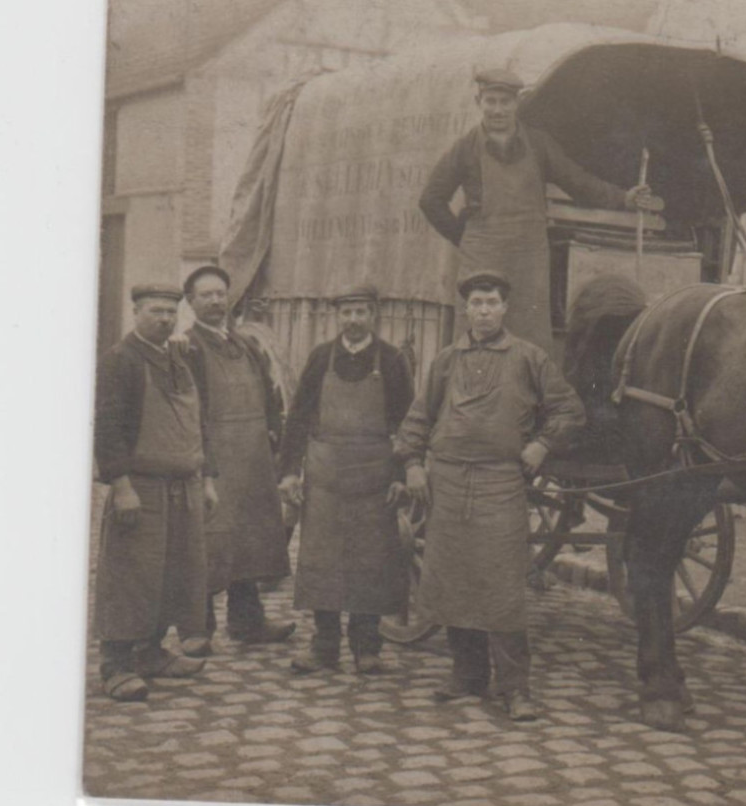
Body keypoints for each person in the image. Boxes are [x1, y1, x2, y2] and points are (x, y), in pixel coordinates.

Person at [395, 271, 585, 720]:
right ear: (467, 310)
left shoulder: (528, 357)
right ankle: (468, 676)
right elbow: (419, 417)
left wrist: (541, 444)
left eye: (491, 303)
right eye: (476, 303)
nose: (483, 310)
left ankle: (516, 688)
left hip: (501, 482)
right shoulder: (445, 360)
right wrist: (412, 463)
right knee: (452, 578)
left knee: (501, 585)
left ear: (504, 309)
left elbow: (569, 410)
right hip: (449, 480)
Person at [418, 65, 661, 351]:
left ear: (516, 103)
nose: (497, 110)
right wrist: (465, 237)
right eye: (490, 101)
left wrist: (624, 198)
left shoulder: (538, 143)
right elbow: (430, 200)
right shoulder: (465, 149)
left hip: (528, 257)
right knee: (477, 336)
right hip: (481, 256)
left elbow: (578, 181)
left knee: (529, 339)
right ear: (478, 103)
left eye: (505, 102)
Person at [277, 285, 415, 675]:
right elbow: (298, 417)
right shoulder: (321, 358)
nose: (353, 320)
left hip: (374, 476)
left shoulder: (391, 360)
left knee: (372, 562)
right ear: (338, 316)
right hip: (325, 475)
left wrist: (402, 474)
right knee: (323, 560)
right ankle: (324, 646)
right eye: (347, 312)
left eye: (361, 312)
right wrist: (289, 472)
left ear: (374, 315)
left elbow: (407, 423)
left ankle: (367, 648)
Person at [92, 284, 216, 700]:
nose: (164, 319)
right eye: (155, 311)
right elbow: (107, 429)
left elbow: (199, 422)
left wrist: (208, 478)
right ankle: (116, 664)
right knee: (132, 575)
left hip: (184, 485)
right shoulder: (120, 360)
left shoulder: (179, 357)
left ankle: (151, 652)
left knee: (173, 573)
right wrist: (122, 486)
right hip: (141, 486)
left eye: (170, 312)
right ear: (136, 312)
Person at [178, 264, 296, 650]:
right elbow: (186, 410)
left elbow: (270, 397)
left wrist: (274, 437)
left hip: (252, 459)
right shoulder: (187, 348)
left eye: (220, 293)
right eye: (206, 295)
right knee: (208, 543)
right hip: (214, 460)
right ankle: (199, 629)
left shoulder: (246, 344)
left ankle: (248, 622)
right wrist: (203, 459)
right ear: (192, 303)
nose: (215, 300)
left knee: (250, 540)